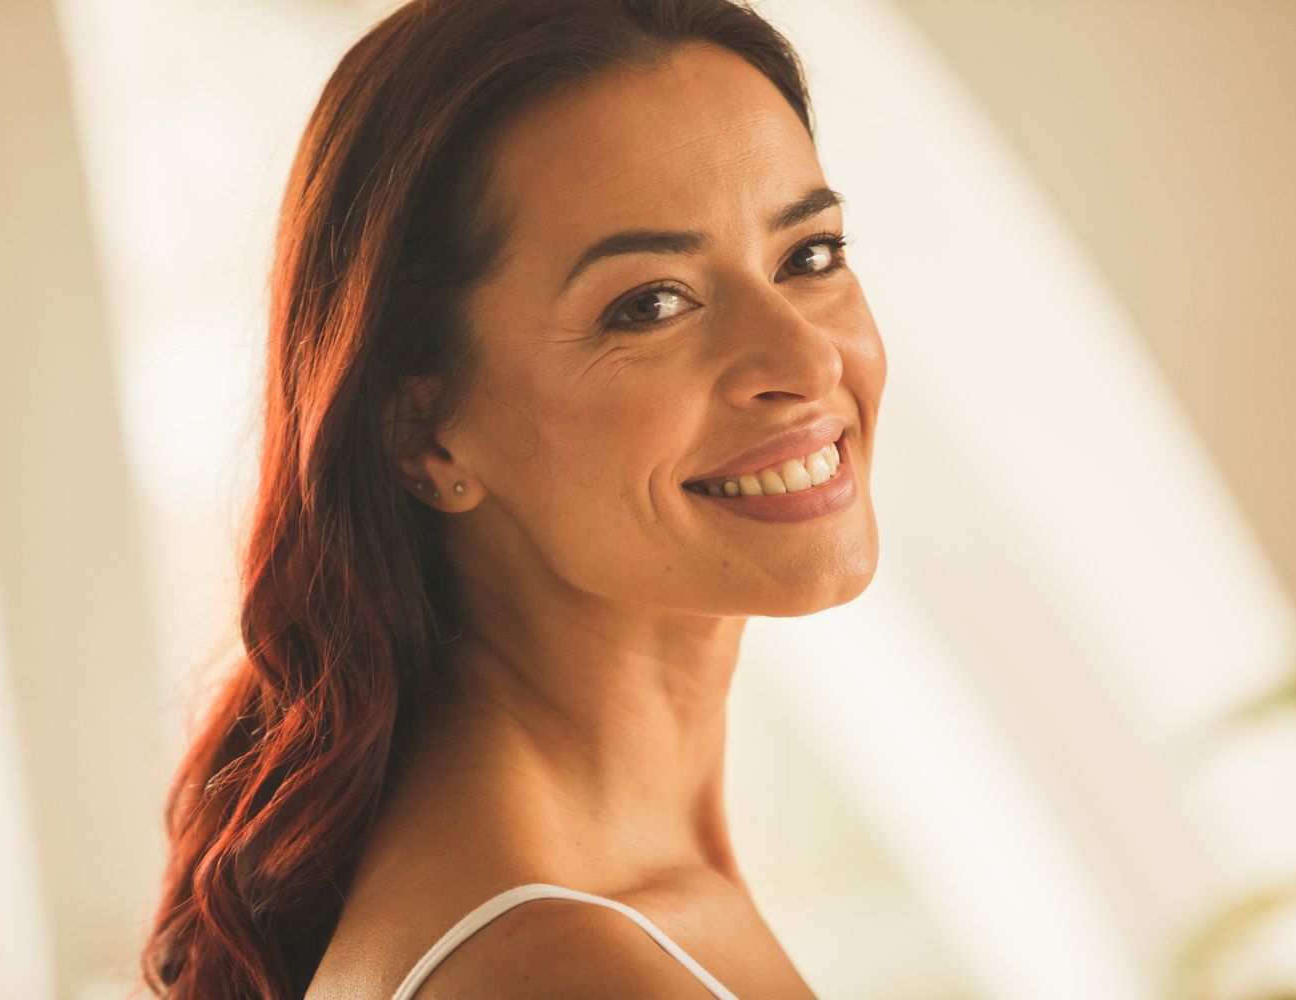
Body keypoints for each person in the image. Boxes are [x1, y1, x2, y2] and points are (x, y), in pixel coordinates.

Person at [139, 0, 885, 996]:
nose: (803, 356)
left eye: (809, 256)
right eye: (650, 303)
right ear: (425, 428)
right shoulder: (561, 966)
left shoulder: (597, 898)